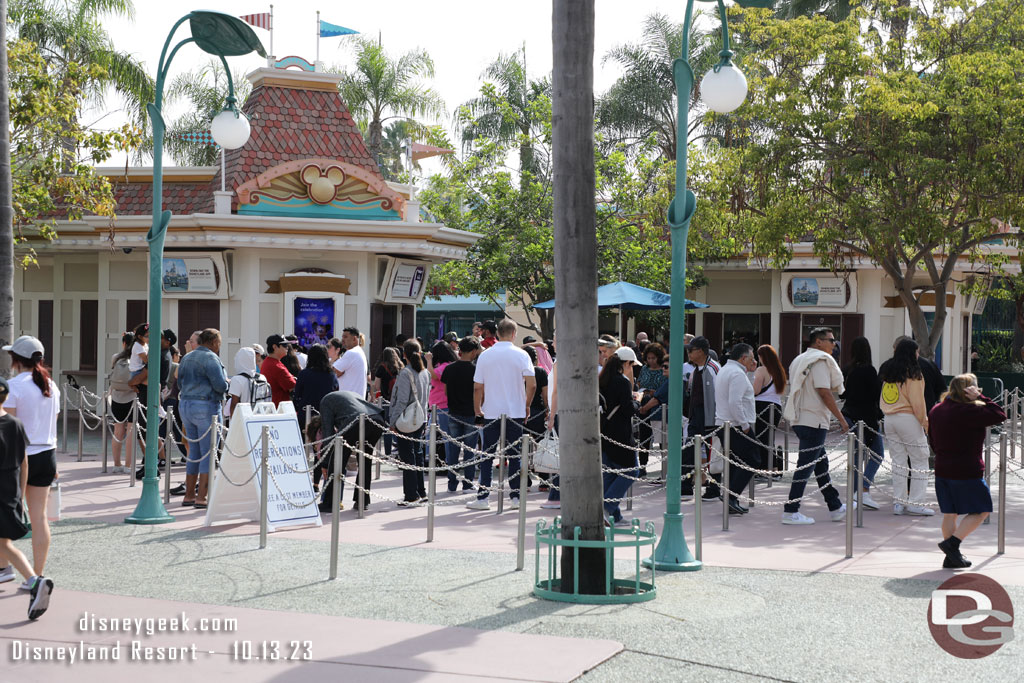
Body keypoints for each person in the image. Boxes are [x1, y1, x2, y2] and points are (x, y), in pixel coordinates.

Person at [928, 374, 1005, 568]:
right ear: (969, 390)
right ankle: (952, 544)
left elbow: (932, 440)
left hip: (943, 467)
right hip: (967, 469)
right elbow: (1000, 414)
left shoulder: (937, 409)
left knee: (949, 513)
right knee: (981, 510)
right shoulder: (970, 410)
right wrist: (983, 399)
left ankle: (951, 557)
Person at [2, 335, 60, 587]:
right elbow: (53, 422)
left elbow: (7, 426)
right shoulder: (51, 385)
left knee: (5, 514)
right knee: (39, 518)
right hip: (47, 454)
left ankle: (5, 568)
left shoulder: (14, 386)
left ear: (15, 359)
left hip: (19, 457)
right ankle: (36, 575)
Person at [781, 327, 850, 525]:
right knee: (805, 467)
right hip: (813, 421)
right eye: (831, 339)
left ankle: (835, 505)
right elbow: (824, 392)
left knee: (821, 465)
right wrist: (842, 419)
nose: (834, 343)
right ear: (818, 342)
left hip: (802, 419)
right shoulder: (819, 360)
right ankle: (790, 510)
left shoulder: (799, 359)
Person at [468, 318, 536, 511]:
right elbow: (531, 384)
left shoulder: (486, 355)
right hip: (516, 411)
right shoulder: (522, 354)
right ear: (514, 334)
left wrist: (477, 410)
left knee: (487, 455)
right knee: (515, 455)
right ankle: (515, 496)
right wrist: (527, 404)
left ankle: (483, 497)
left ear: (497, 333)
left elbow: (477, 387)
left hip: (491, 411)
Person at [0, 376, 54, 619]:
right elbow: (24, 461)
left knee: (3, 544)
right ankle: (34, 581)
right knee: (3, 544)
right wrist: (20, 493)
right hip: (10, 489)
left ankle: (33, 581)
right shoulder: (15, 424)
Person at [879, 337, 935, 516]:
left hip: (889, 419)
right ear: (912, 353)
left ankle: (899, 502)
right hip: (908, 418)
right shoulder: (914, 374)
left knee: (899, 461)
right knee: (920, 459)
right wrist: (925, 423)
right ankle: (916, 503)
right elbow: (918, 404)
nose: (918, 354)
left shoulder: (889, 371)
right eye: (917, 351)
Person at [176, 328, 228, 508]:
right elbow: (220, 386)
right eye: (219, 343)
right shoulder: (212, 358)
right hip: (206, 406)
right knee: (208, 451)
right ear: (213, 342)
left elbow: (179, 382)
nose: (219, 347)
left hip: (186, 405)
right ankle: (202, 497)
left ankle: (189, 495)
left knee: (194, 452)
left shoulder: (187, 357)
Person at [316, 390, 385, 511]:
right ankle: (362, 500)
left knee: (337, 459)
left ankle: (331, 502)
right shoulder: (346, 395)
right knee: (365, 460)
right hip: (376, 418)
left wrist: (325, 462)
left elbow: (328, 433)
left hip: (356, 420)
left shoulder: (325, 401)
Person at [714, 344, 759, 515]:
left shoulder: (727, 370)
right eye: (751, 357)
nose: (753, 360)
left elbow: (748, 391)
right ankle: (730, 496)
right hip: (736, 425)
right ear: (743, 358)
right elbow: (735, 402)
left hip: (726, 424)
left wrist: (752, 372)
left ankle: (731, 498)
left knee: (736, 463)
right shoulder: (736, 373)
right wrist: (745, 425)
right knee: (752, 459)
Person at [840, 337, 884, 510]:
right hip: (867, 417)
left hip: (849, 415)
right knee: (878, 454)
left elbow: (842, 394)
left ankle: (854, 494)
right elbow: (875, 395)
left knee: (856, 457)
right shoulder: (870, 370)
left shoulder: (847, 369)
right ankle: (864, 489)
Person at [390, 339, 431, 505]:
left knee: (407, 456)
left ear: (404, 354)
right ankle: (421, 491)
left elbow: (401, 401)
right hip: (420, 418)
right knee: (418, 454)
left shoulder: (406, 373)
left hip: (406, 419)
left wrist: (392, 421)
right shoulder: (425, 373)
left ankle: (411, 494)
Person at [599, 355, 638, 526]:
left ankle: (614, 515)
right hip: (621, 433)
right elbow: (628, 409)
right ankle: (606, 508)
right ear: (626, 364)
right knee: (631, 471)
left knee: (610, 473)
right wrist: (637, 401)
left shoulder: (602, 379)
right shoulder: (622, 381)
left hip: (604, 430)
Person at [442, 337, 482, 492]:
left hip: (453, 412)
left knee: (453, 450)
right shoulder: (475, 370)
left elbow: (445, 392)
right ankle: (467, 483)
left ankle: (452, 484)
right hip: (471, 413)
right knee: (469, 450)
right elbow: (479, 391)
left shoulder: (449, 369)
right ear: (473, 351)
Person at [683, 336, 720, 498]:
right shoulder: (696, 369)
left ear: (700, 351)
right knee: (689, 450)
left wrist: (714, 420)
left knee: (713, 453)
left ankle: (714, 488)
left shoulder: (712, 368)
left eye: (691, 350)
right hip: (696, 416)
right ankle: (685, 485)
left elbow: (717, 396)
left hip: (710, 418)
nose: (688, 353)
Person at [752, 344, 786, 475]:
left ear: (762, 357)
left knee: (761, 438)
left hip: (761, 406)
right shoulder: (779, 370)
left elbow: (755, 390)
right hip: (776, 406)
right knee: (768, 438)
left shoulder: (761, 370)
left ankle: (766, 468)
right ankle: (773, 467)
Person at [636, 343, 666, 477]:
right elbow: (640, 383)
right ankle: (642, 466)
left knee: (660, 438)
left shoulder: (663, 370)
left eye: (653, 358)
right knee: (644, 437)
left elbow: (664, 389)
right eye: (648, 358)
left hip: (658, 407)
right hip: (644, 405)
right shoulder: (644, 369)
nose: (651, 361)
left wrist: (655, 393)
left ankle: (664, 466)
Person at [108, 332, 137, 473]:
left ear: (123, 343)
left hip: (116, 398)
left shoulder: (115, 357)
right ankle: (128, 466)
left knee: (117, 430)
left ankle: (116, 464)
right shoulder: (137, 358)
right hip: (132, 397)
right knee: (131, 431)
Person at [293, 344, 338, 432]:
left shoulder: (304, 374)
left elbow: (297, 394)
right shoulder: (331, 375)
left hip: (306, 413)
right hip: (325, 414)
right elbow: (335, 391)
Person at [225, 347, 272, 422]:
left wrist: (232, 422)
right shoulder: (262, 377)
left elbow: (234, 404)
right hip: (259, 417)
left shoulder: (237, 379)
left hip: (243, 419)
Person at [261, 334, 297, 406]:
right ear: (275, 347)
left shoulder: (268, 361)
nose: (287, 347)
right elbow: (293, 386)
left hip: (273, 407)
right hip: (280, 410)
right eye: (284, 345)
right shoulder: (276, 366)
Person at [333, 327, 369, 397]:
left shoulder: (351, 353)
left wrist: (333, 360)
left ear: (354, 339)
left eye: (345, 337)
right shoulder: (358, 351)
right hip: (354, 400)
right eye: (342, 337)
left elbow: (334, 373)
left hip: (349, 401)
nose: (342, 340)